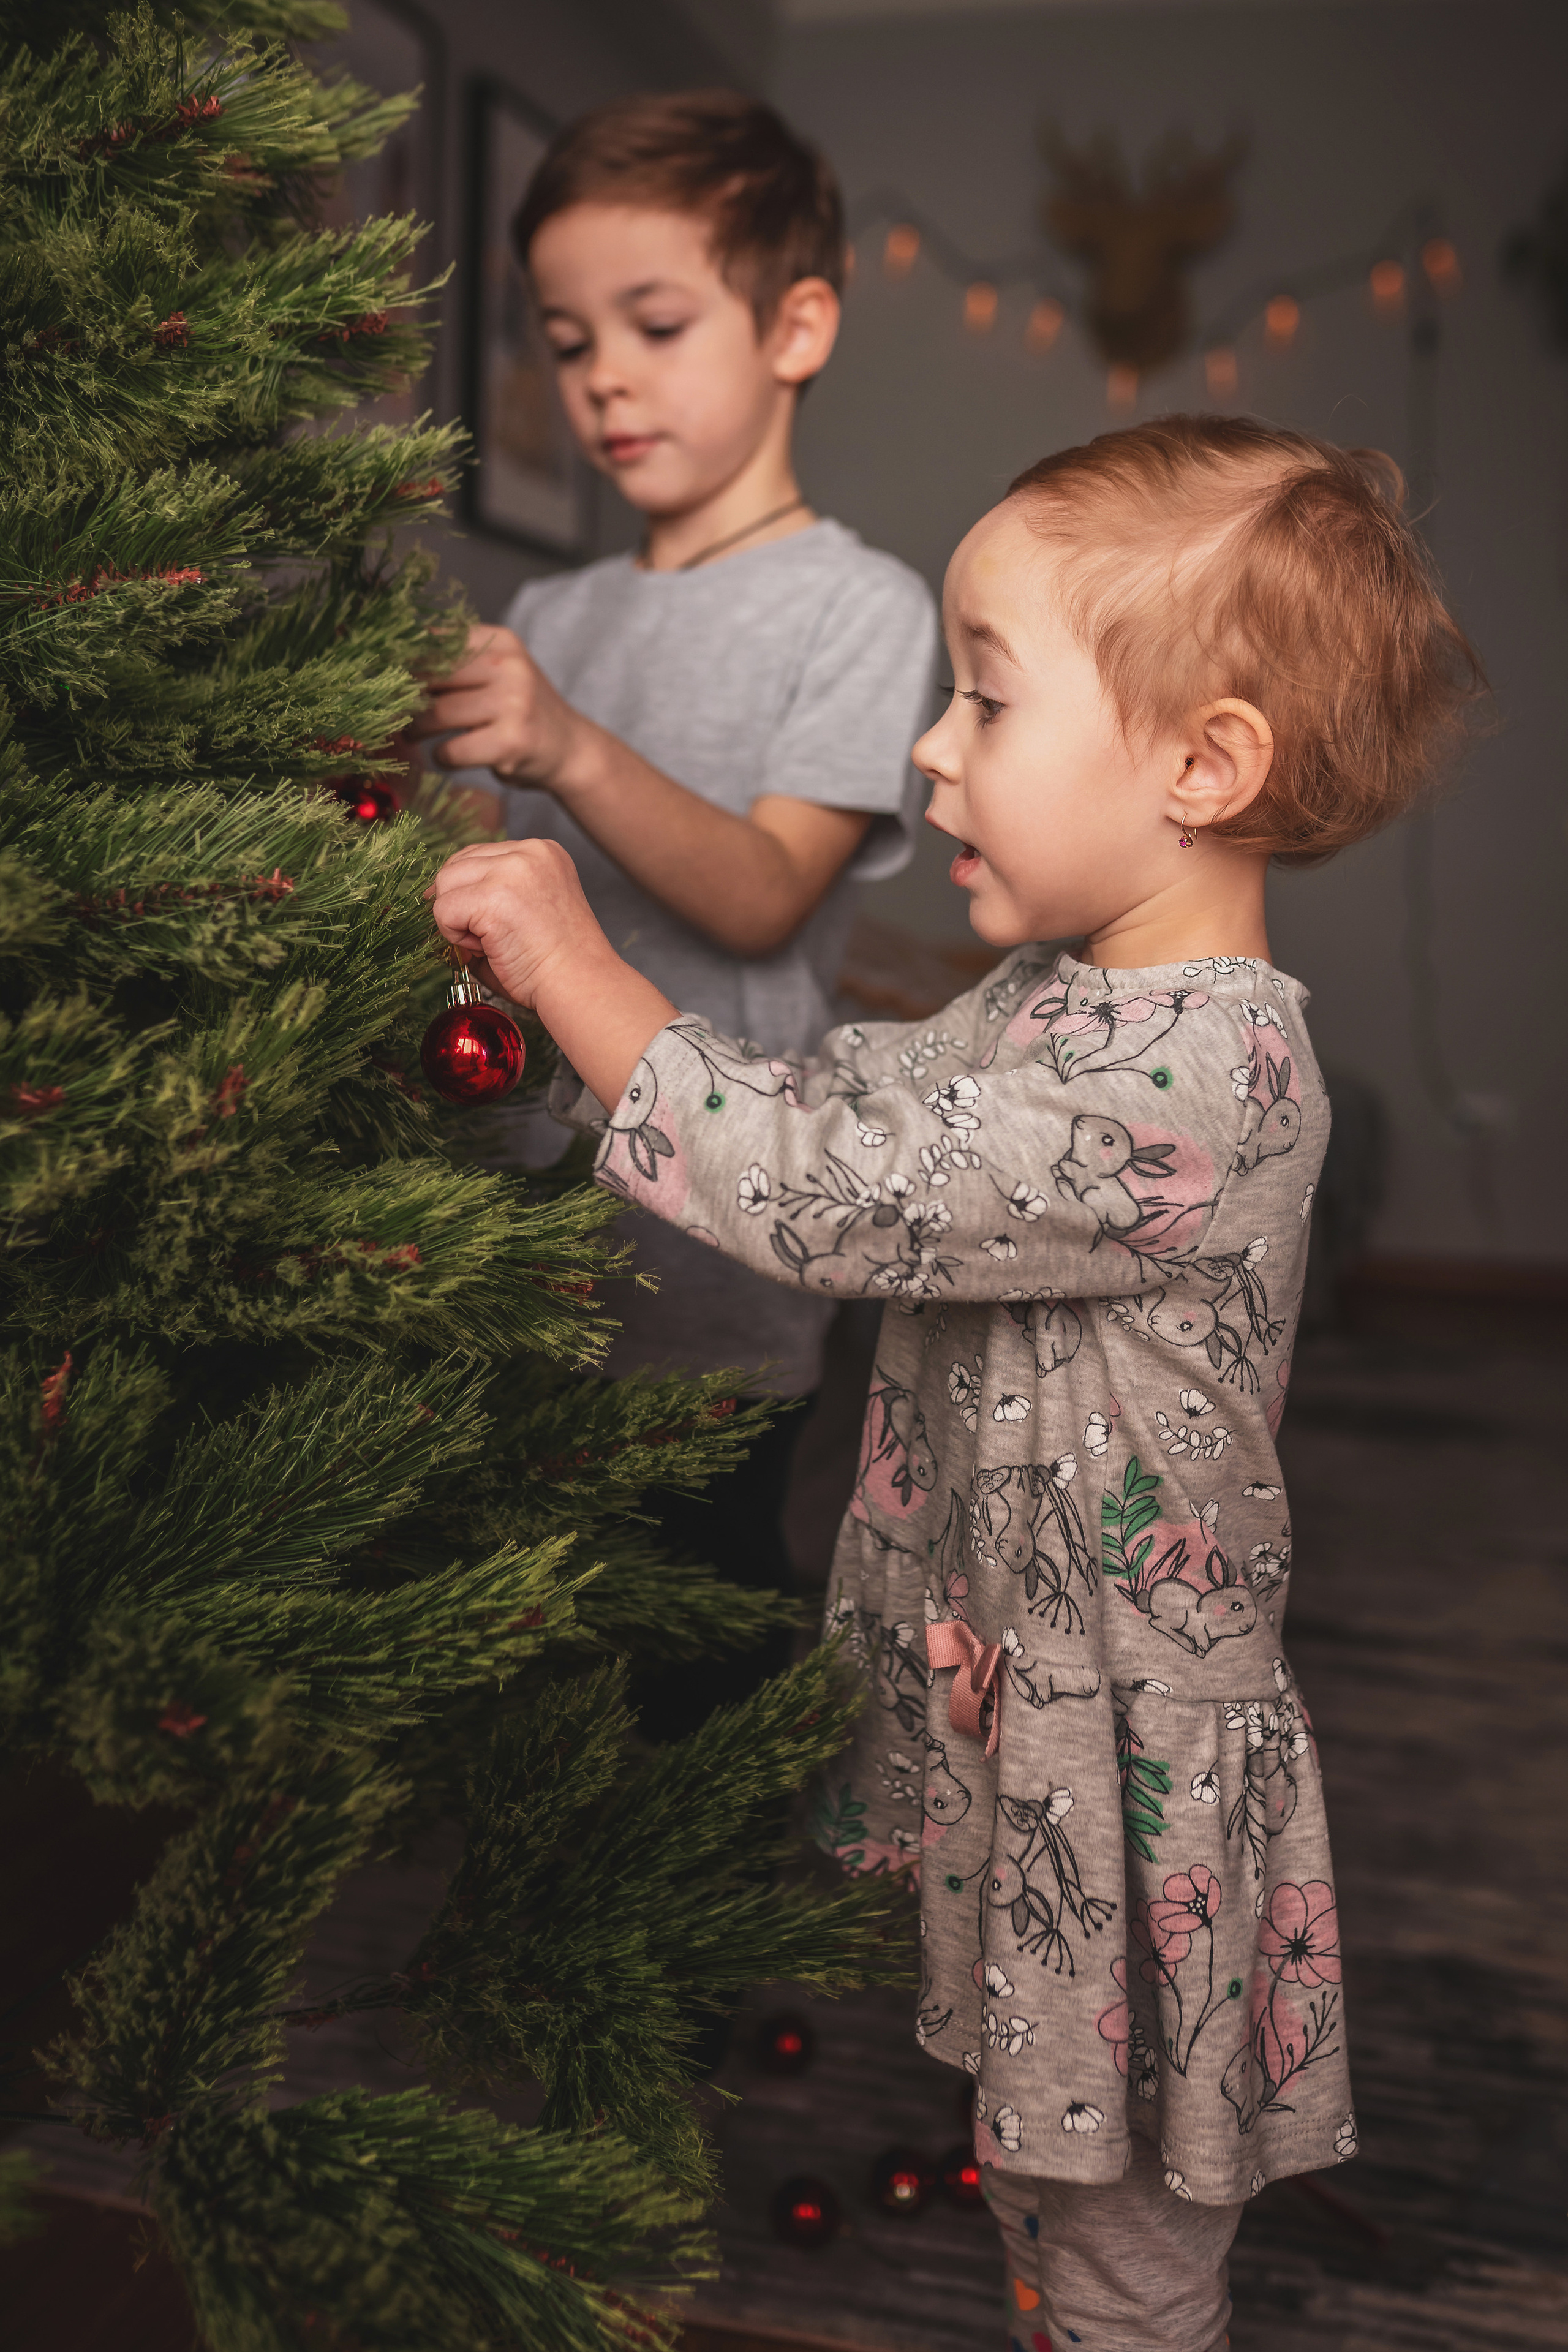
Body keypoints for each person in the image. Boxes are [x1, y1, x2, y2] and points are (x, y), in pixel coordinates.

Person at [426, 413, 1483, 2350]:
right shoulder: (1049, 1003)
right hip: (1020, 1713)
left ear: (1204, 765)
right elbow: (825, 1096)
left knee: (1123, 2262)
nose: (932, 745)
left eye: (986, 698)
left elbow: (833, 1198)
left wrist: (580, 957)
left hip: (1134, 1768)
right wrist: (565, 1033)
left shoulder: (1207, 1078)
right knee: (1044, 2195)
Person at [414, 91, 936, 1733]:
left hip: (713, 1250)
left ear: (797, 326)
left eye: (653, 323)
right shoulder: (554, 606)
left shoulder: (861, 605)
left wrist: (568, 742)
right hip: (519, 1222)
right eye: (570, 343)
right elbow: (479, 879)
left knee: (694, 1634)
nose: (604, 381)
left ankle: (697, 1978)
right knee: (525, 1647)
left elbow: (768, 892)